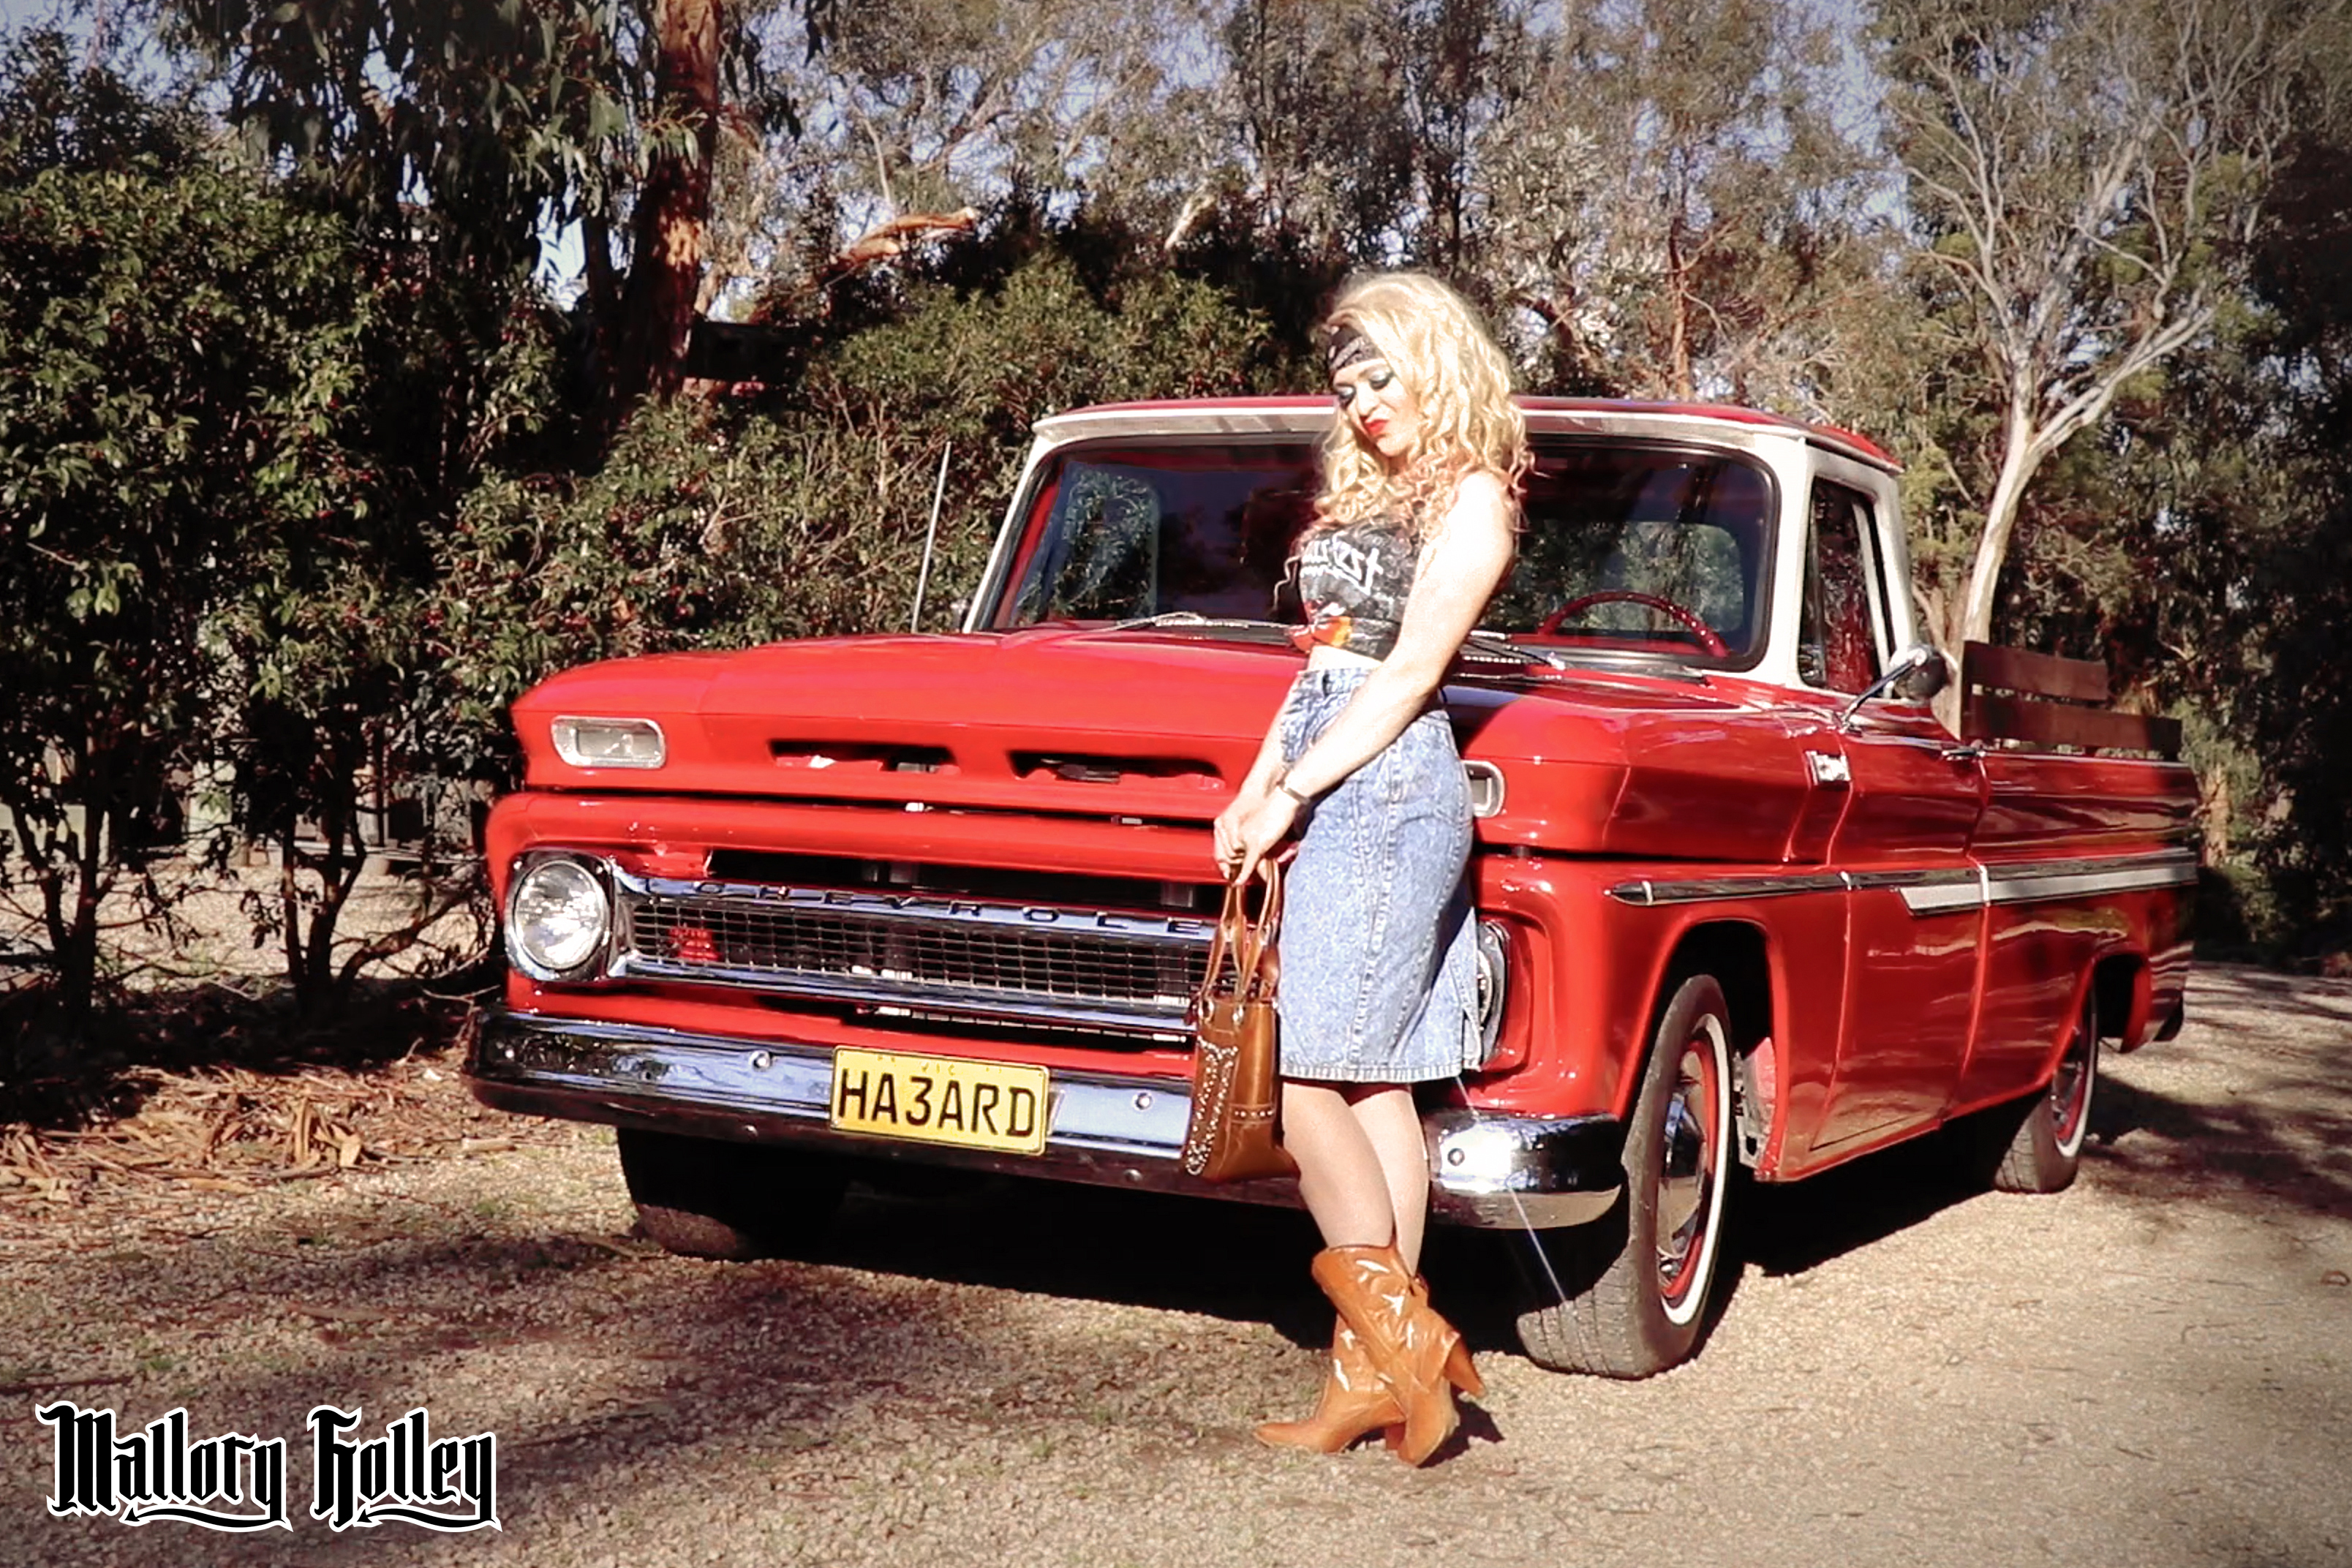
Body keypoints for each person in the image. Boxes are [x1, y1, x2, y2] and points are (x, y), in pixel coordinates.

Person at [1211, 271, 1525, 1466]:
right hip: (1331, 764)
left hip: (1390, 788)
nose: (1362, 401)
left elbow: (1403, 681)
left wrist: (1295, 788)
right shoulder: (1369, 494)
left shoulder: (1476, 501)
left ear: (1435, 361)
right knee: (1378, 1083)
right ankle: (1375, 1378)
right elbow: (1322, 669)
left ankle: (1410, 1347)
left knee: (1307, 1081)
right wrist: (1257, 784)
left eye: (1382, 375)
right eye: (1347, 384)